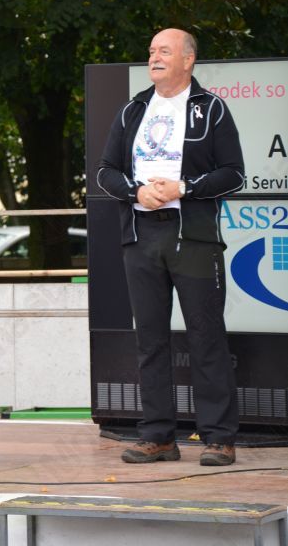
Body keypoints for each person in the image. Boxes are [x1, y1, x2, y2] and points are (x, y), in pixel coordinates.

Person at [97, 28, 244, 467]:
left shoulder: (211, 108)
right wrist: (135, 192)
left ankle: (218, 438)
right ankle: (158, 436)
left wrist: (184, 187)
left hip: (192, 237)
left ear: (188, 60)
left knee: (206, 336)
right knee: (150, 340)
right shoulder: (133, 109)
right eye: (151, 51)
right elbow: (105, 171)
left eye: (164, 51)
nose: (154, 57)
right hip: (141, 236)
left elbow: (234, 173)